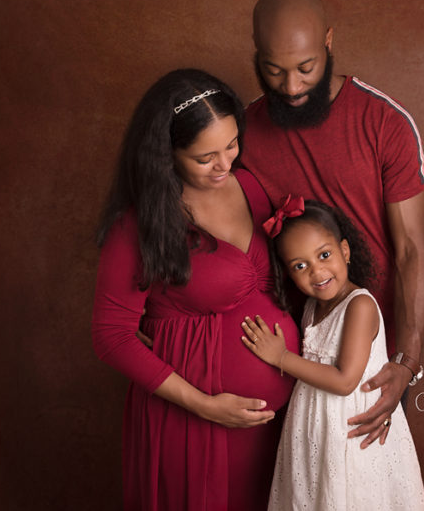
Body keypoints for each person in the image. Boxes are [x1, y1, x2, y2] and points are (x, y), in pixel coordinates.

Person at [91, 68, 300, 511]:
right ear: (166, 153)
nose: (225, 164)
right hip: (193, 420)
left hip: (273, 424)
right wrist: (205, 405)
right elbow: (112, 335)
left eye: (231, 145)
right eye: (206, 157)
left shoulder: (248, 186)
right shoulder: (140, 224)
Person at [242, 0, 424, 448]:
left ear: (328, 41)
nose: (291, 87)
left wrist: (406, 363)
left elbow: (411, 251)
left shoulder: (383, 122)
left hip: (368, 361)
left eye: (306, 68)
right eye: (274, 70)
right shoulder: (242, 130)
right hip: (280, 351)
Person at [240, 198, 424, 510]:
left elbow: (344, 381)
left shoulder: (359, 306)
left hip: (350, 432)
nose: (317, 272)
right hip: (317, 431)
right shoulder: (313, 307)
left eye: (324, 255)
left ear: (345, 250)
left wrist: (281, 357)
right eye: (300, 266)